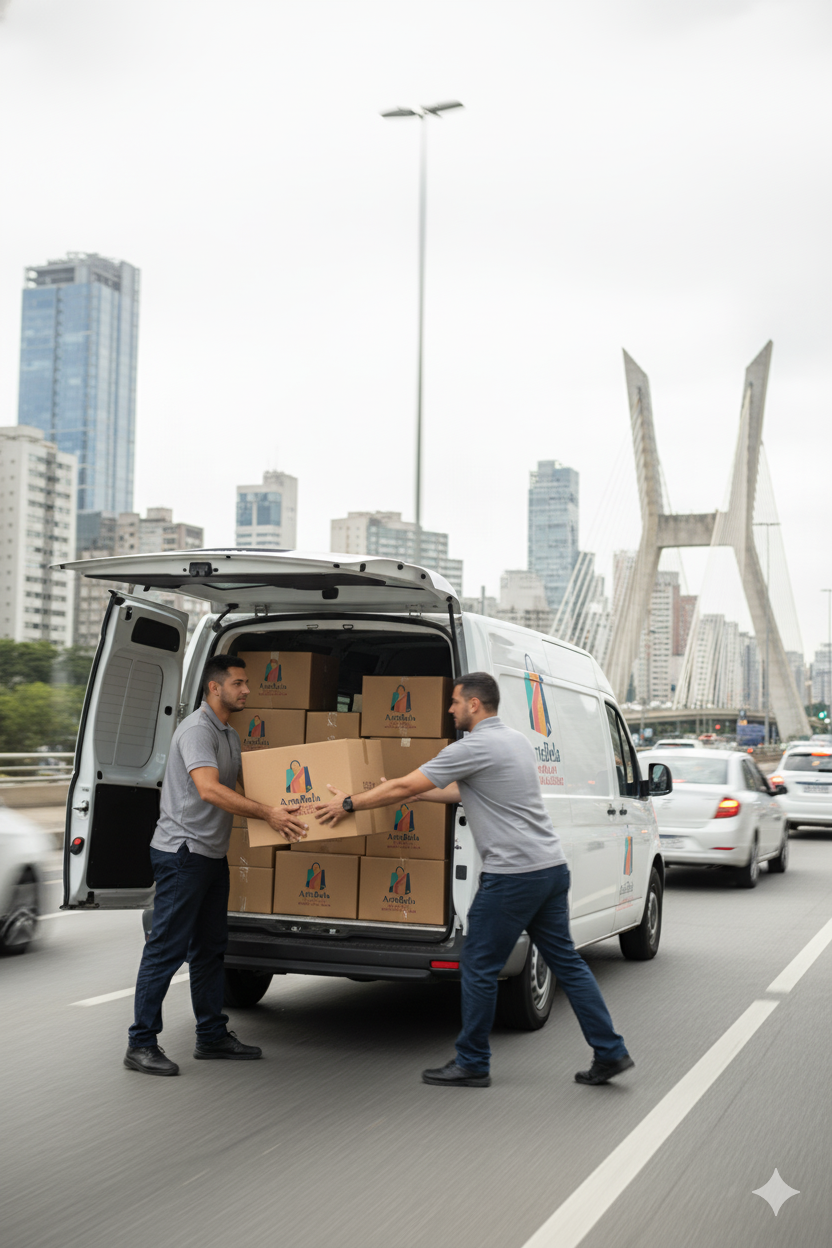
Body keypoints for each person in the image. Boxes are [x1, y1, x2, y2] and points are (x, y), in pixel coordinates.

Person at [313, 671, 633, 1089]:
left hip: (513, 876)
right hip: (549, 869)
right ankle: (610, 1050)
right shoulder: (515, 741)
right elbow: (466, 792)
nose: (449, 709)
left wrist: (351, 802)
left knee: (479, 965)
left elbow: (411, 780)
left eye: (454, 702)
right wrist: (413, 793)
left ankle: (472, 1061)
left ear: (474, 705)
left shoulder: (475, 745)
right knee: (568, 964)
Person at [124, 655, 309, 1076]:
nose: (247, 690)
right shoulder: (196, 732)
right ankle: (140, 1043)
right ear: (215, 688)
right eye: (239, 683)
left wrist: (295, 808)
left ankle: (211, 1036)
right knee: (165, 951)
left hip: (209, 854)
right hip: (182, 854)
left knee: (210, 950)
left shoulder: (228, 733)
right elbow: (208, 789)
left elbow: (248, 785)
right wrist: (267, 814)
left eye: (247, 683)